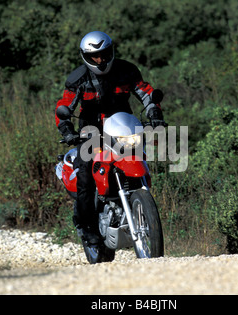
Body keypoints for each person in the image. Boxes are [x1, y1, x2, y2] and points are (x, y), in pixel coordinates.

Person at [55, 31, 166, 244]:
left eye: (104, 54)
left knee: (141, 156)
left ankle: (140, 205)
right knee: (86, 170)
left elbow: (146, 93)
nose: (100, 60)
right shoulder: (78, 79)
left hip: (123, 126)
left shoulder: (128, 71)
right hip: (91, 130)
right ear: (85, 57)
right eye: (95, 56)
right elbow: (64, 105)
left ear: (111, 51)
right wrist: (67, 128)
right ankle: (87, 226)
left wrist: (155, 113)